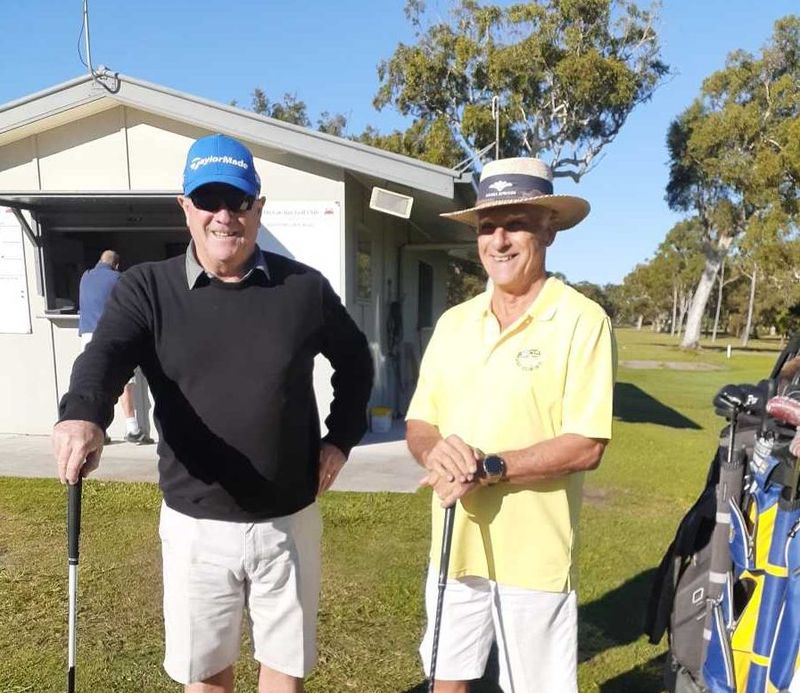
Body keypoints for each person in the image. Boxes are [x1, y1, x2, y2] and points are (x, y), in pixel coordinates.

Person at [53, 133, 374, 693]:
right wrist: (84, 413)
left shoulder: (304, 288)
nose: (224, 216)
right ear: (185, 207)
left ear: (258, 207)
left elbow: (356, 363)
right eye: (208, 200)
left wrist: (340, 438)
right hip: (195, 526)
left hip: (287, 522)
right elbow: (105, 356)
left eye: (238, 201)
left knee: (284, 668)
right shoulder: (146, 288)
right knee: (206, 675)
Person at [406, 157, 615, 692]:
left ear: (549, 228)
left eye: (516, 223)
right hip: (454, 550)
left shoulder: (581, 319)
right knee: (445, 681)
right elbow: (420, 421)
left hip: (536, 557)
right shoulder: (454, 323)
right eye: (486, 227)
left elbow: (586, 444)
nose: (499, 240)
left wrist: (490, 467)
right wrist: (438, 455)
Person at [78, 249, 148, 443]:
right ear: (116, 265)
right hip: (111, 335)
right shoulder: (119, 279)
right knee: (124, 382)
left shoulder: (85, 276)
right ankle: (132, 429)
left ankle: (97, 428)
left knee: (93, 381)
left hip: (87, 334)